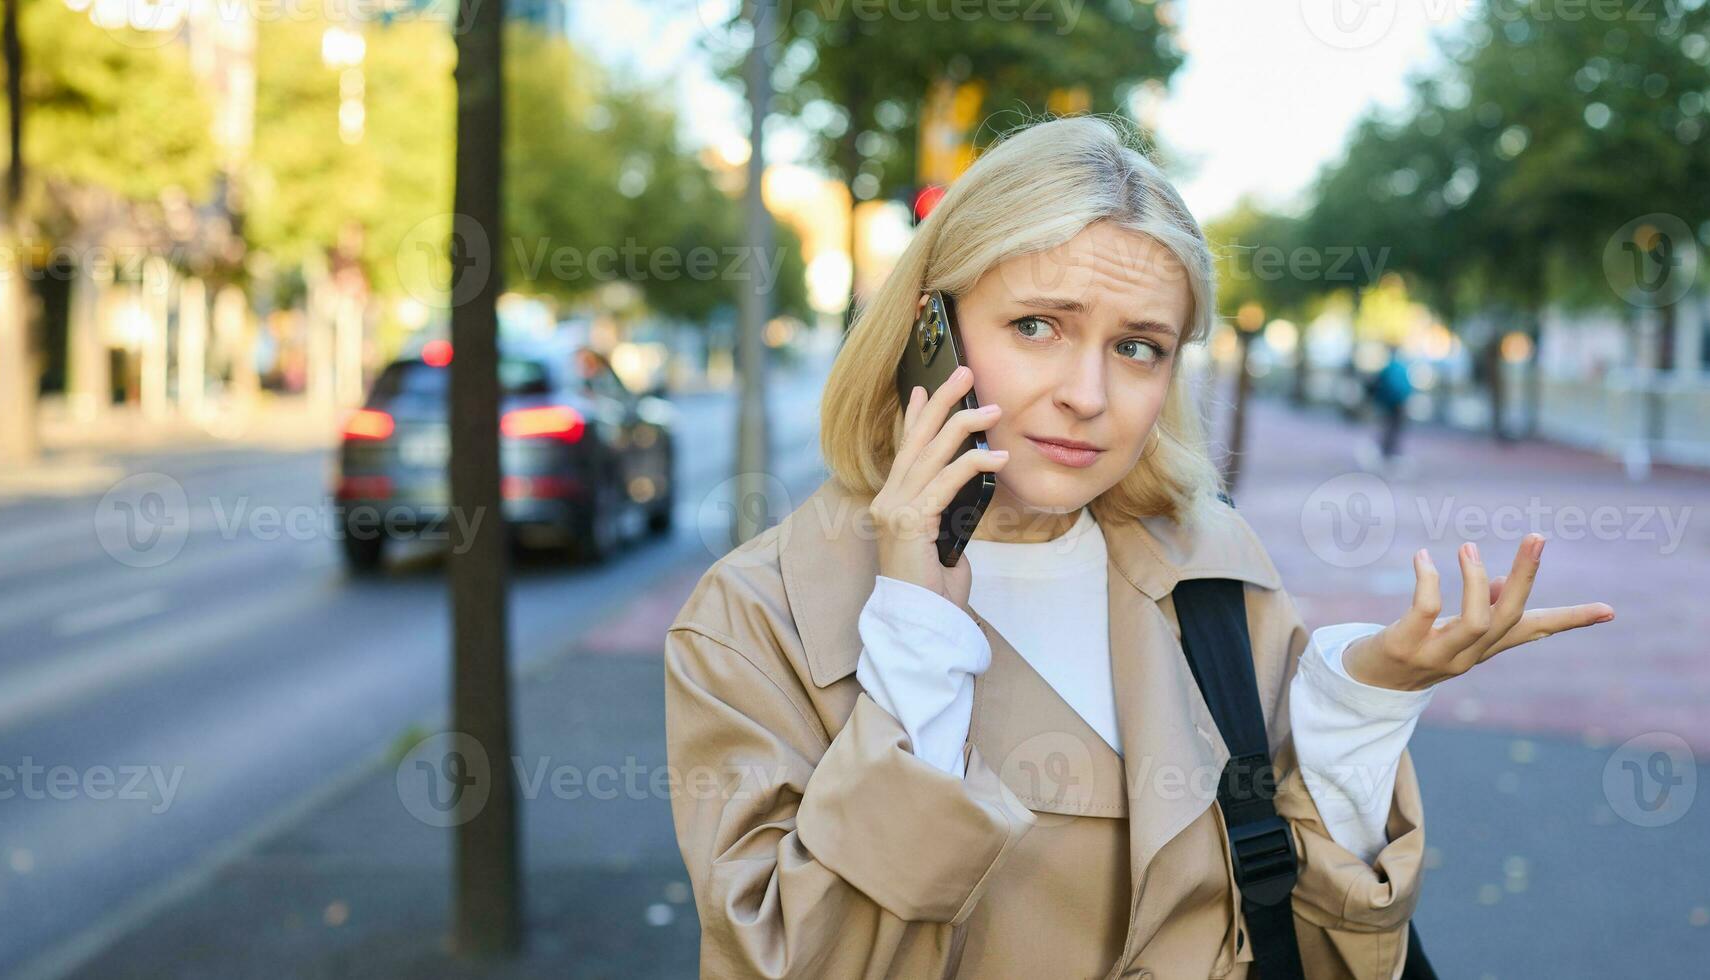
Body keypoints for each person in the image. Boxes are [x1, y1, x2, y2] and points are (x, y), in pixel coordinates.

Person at [663, 117, 1615, 979]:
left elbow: (1317, 941)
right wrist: (914, 637)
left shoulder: (1210, 568)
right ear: (928, 330)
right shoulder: (758, 620)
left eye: (1139, 347)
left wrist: (1359, 705)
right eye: (1038, 326)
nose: (1088, 392)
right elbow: (789, 960)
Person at [1359, 345, 1414, 474]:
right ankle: (1391, 453)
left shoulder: (1388, 367)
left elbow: (1379, 385)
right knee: (1395, 429)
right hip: (1401, 403)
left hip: (1389, 403)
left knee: (1387, 428)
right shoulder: (1403, 367)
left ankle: (1386, 454)